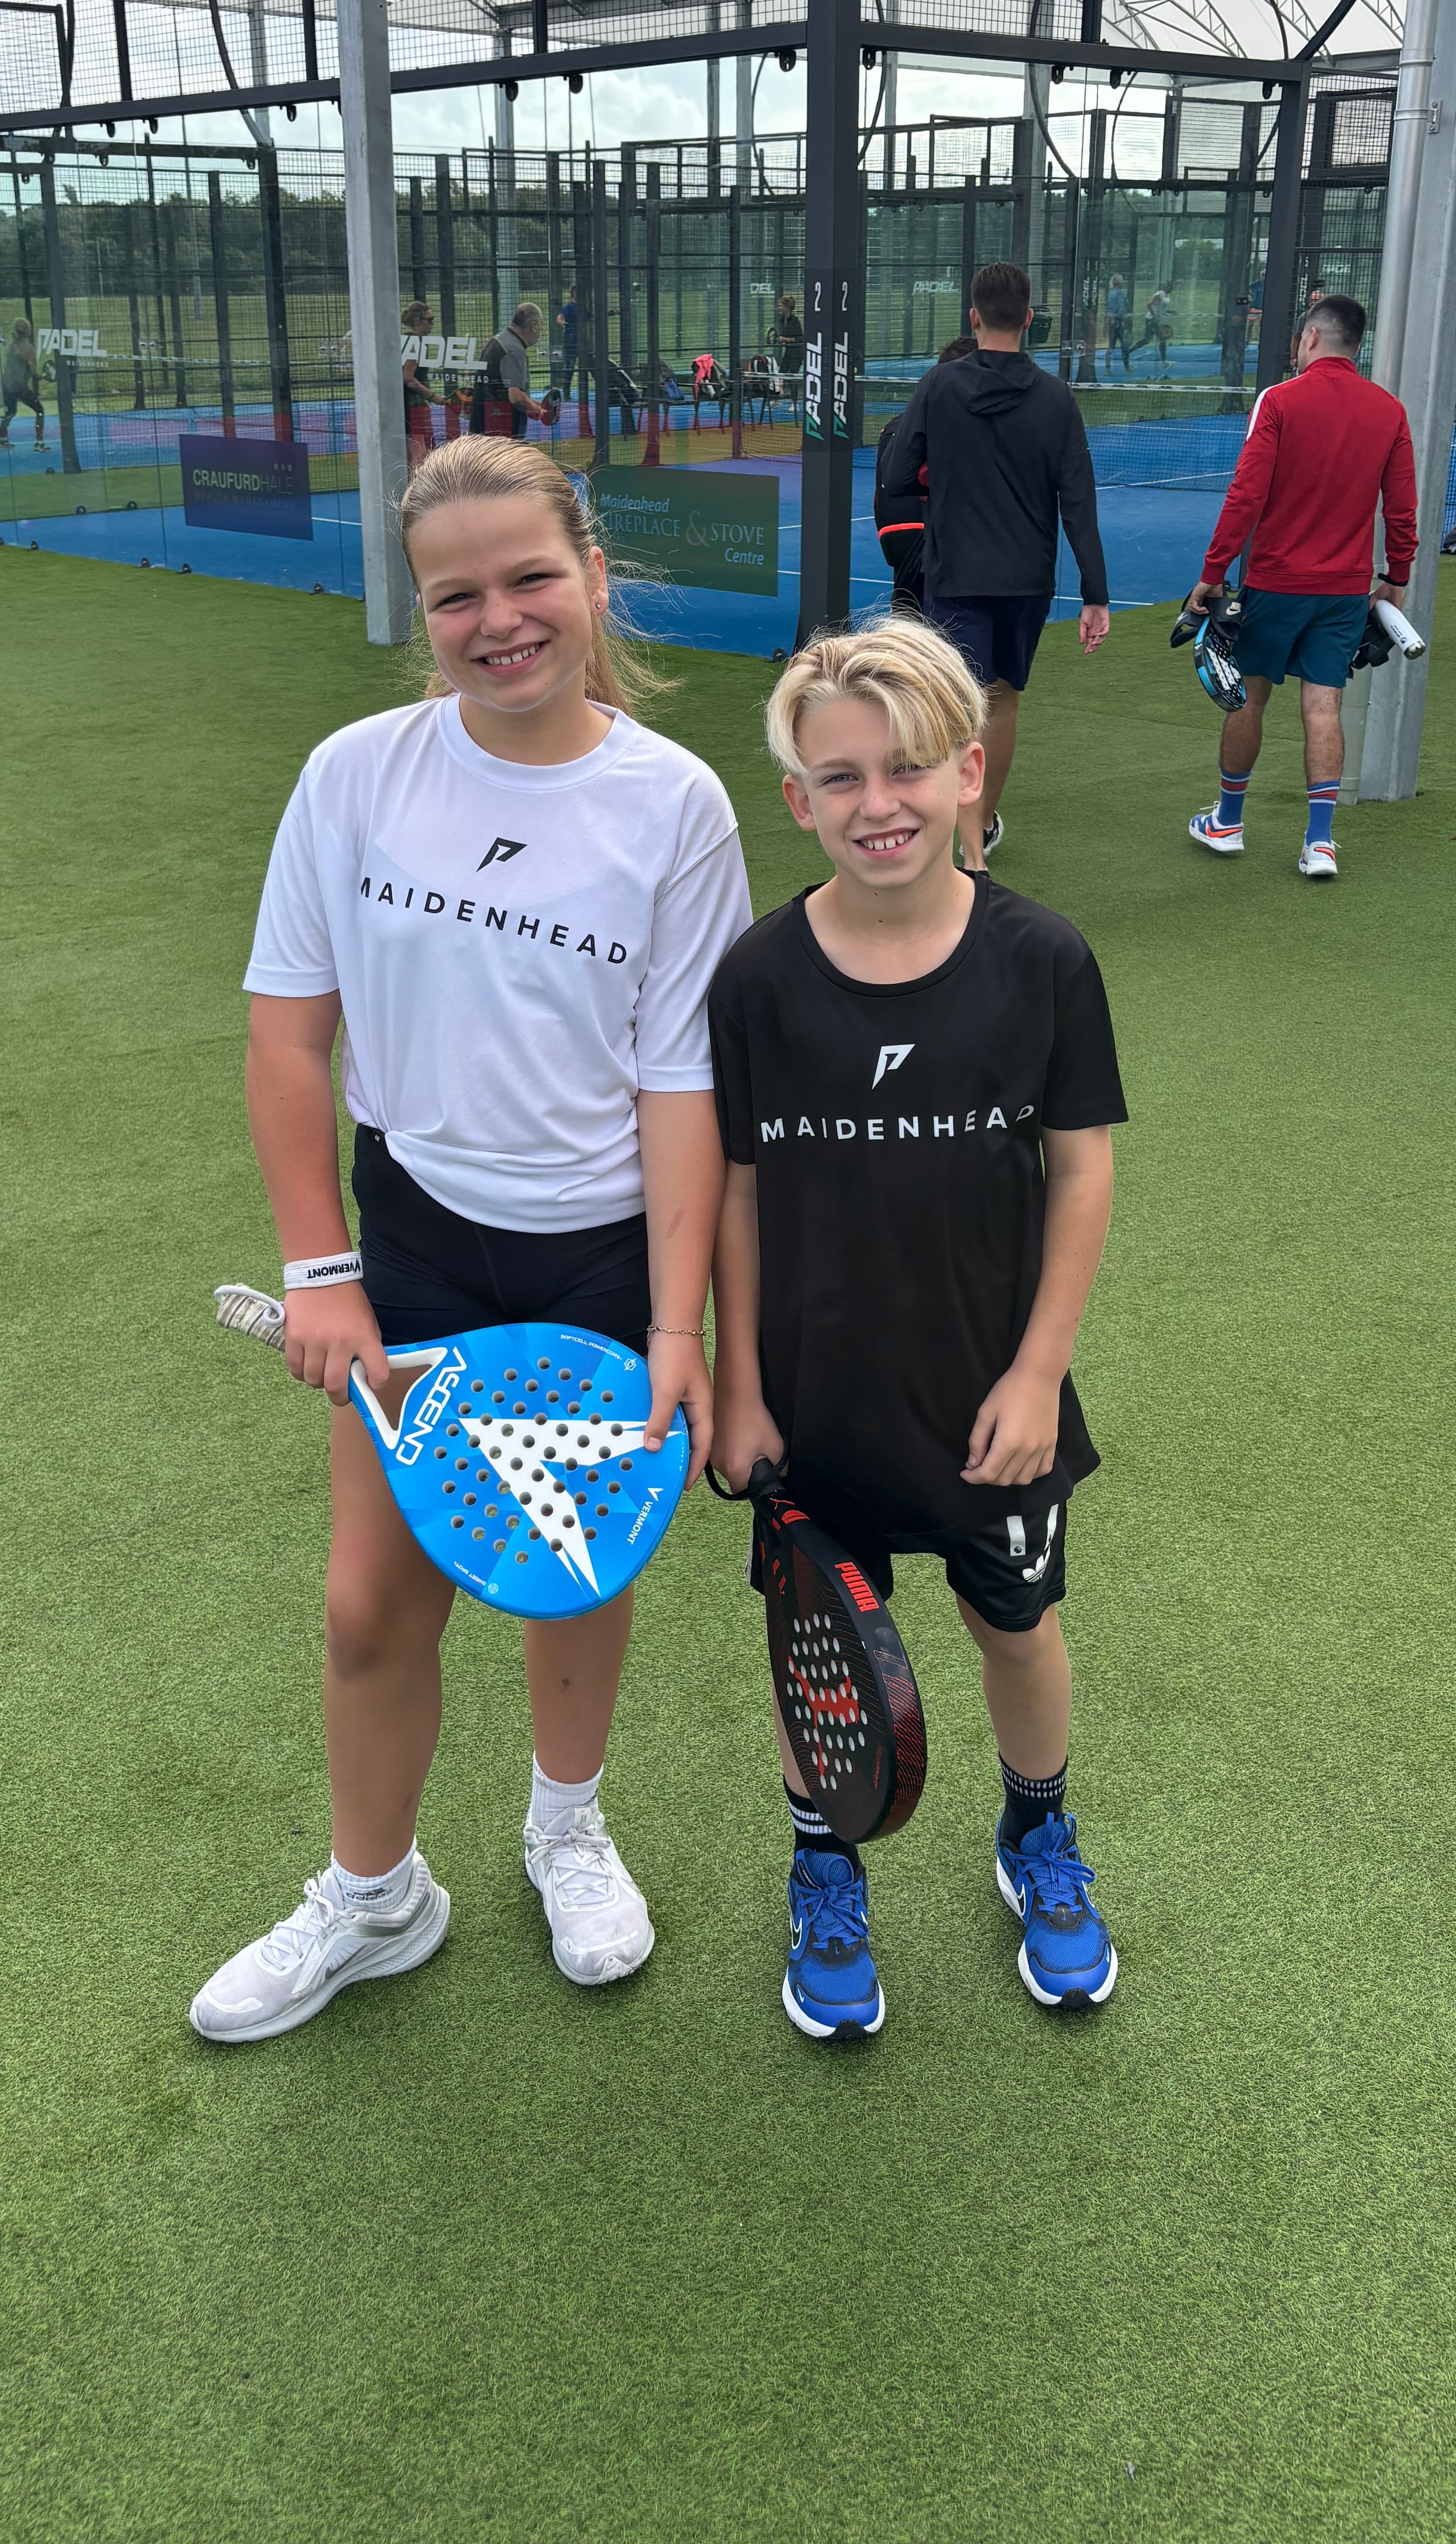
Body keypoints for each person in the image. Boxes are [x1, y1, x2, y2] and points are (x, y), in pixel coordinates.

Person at [190, 438, 751, 2045]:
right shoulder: (354, 775)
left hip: (602, 1256)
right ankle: (377, 1896)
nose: (498, 620)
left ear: (592, 575)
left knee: (571, 1567)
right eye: (457, 596)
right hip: (416, 1242)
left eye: (529, 579)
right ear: (419, 611)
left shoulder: (674, 802)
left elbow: (682, 1083)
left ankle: (565, 1825)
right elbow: (288, 1036)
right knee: (372, 1605)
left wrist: (678, 1325)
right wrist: (321, 1269)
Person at [709, 615, 1127, 2040]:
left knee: (1017, 1624)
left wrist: (1039, 1369)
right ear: (797, 799)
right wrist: (740, 1384)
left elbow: (1080, 1171)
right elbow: (735, 1190)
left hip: (986, 1394)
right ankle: (824, 1866)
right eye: (840, 777)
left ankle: (1038, 1830)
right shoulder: (759, 977)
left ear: (968, 773)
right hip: (813, 1400)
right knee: (818, 1643)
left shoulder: (1042, 958)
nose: (876, 803)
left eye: (906, 768)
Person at [882, 259, 1110, 872]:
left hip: (956, 572)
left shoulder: (938, 387)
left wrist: (946, 473)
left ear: (974, 317)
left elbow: (899, 475)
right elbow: (1079, 502)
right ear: (1030, 319)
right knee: (1002, 703)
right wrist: (1096, 593)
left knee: (956, 708)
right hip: (1027, 579)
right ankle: (977, 832)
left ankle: (970, 853)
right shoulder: (1057, 399)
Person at [1182, 291, 1417, 882]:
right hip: (1344, 591)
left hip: (1276, 582)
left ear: (1310, 338)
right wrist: (1397, 577)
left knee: (1249, 697)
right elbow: (1402, 508)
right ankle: (1319, 843)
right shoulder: (1389, 410)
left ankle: (1227, 822)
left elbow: (1246, 495)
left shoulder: (1279, 400)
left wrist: (1212, 573)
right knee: (1324, 705)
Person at [872, 334, 977, 617]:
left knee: (907, 609)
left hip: (892, 532)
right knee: (943, 617)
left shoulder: (897, 425)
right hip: (930, 533)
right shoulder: (956, 423)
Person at [475, 302, 558, 438]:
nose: (540, 331)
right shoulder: (514, 350)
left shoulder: (500, 340)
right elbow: (516, 397)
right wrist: (538, 410)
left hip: (485, 425)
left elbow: (503, 390)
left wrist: (533, 405)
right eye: (541, 325)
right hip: (502, 431)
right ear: (534, 326)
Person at [0, 319, 47, 451]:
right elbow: (33, 372)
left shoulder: (11, 347)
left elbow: (19, 365)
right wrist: (43, 377)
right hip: (20, 388)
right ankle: (39, 443)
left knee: (11, 412)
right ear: (28, 332)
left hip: (7, 385)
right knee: (40, 411)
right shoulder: (28, 349)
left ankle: (2, 438)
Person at [402, 300, 437, 468]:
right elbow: (408, 377)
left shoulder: (406, 340)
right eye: (429, 320)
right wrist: (432, 396)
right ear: (417, 321)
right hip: (413, 404)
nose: (432, 324)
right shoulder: (415, 343)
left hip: (407, 403)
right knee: (420, 452)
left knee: (413, 450)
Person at [555, 286, 581, 407]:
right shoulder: (569, 306)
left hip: (584, 342)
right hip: (570, 342)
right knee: (569, 368)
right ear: (573, 294)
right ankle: (566, 394)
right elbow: (560, 317)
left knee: (589, 367)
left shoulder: (585, 307)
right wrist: (561, 322)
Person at [1104, 273, 1132, 378]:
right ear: (1119, 283)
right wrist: (1123, 321)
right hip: (1118, 322)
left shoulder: (1110, 293)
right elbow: (1121, 309)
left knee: (1111, 346)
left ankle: (1108, 368)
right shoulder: (1120, 293)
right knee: (1124, 346)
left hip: (1111, 322)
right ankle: (1127, 368)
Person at [1141, 285, 1173, 378]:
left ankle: (1129, 351)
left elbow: (1162, 309)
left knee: (1148, 340)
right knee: (1160, 339)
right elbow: (1149, 305)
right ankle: (1164, 361)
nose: (1171, 289)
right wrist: (1154, 316)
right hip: (1151, 320)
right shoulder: (1159, 294)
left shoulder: (1167, 296)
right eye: (1169, 286)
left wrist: (1169, 313)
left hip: (1156, 321)